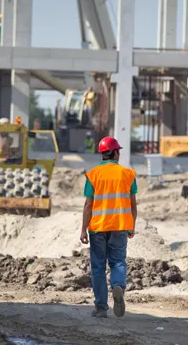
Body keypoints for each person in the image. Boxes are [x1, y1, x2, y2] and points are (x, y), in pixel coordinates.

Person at [81, 136, 137, 319]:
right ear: (114, 152)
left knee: (98, 267)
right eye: (118, 150)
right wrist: (132, 225)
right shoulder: (128, 174)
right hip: (120, 225)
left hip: (98, 228)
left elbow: (88, 204)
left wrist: (83, 229)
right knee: (118, 262)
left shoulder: (93, 174)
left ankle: (101, 308)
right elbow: (133, 204)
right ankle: (118, 286)